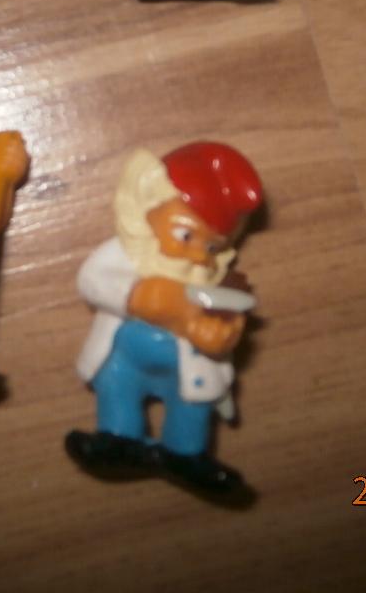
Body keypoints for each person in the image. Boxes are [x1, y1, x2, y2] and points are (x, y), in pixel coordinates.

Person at [66, 143, 263, 499]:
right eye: (186, 235)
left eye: (211, 247)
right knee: (116, 385)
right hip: (123, 357)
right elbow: (91, 280)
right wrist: (139, 296)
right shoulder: (128, 255)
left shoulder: (217, 284)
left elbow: (231, 317)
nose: (197, 254)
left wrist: (220, 336)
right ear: (148, 211)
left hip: (188, 367)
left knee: (192, 402)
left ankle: (184, 454)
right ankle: (119, 438)